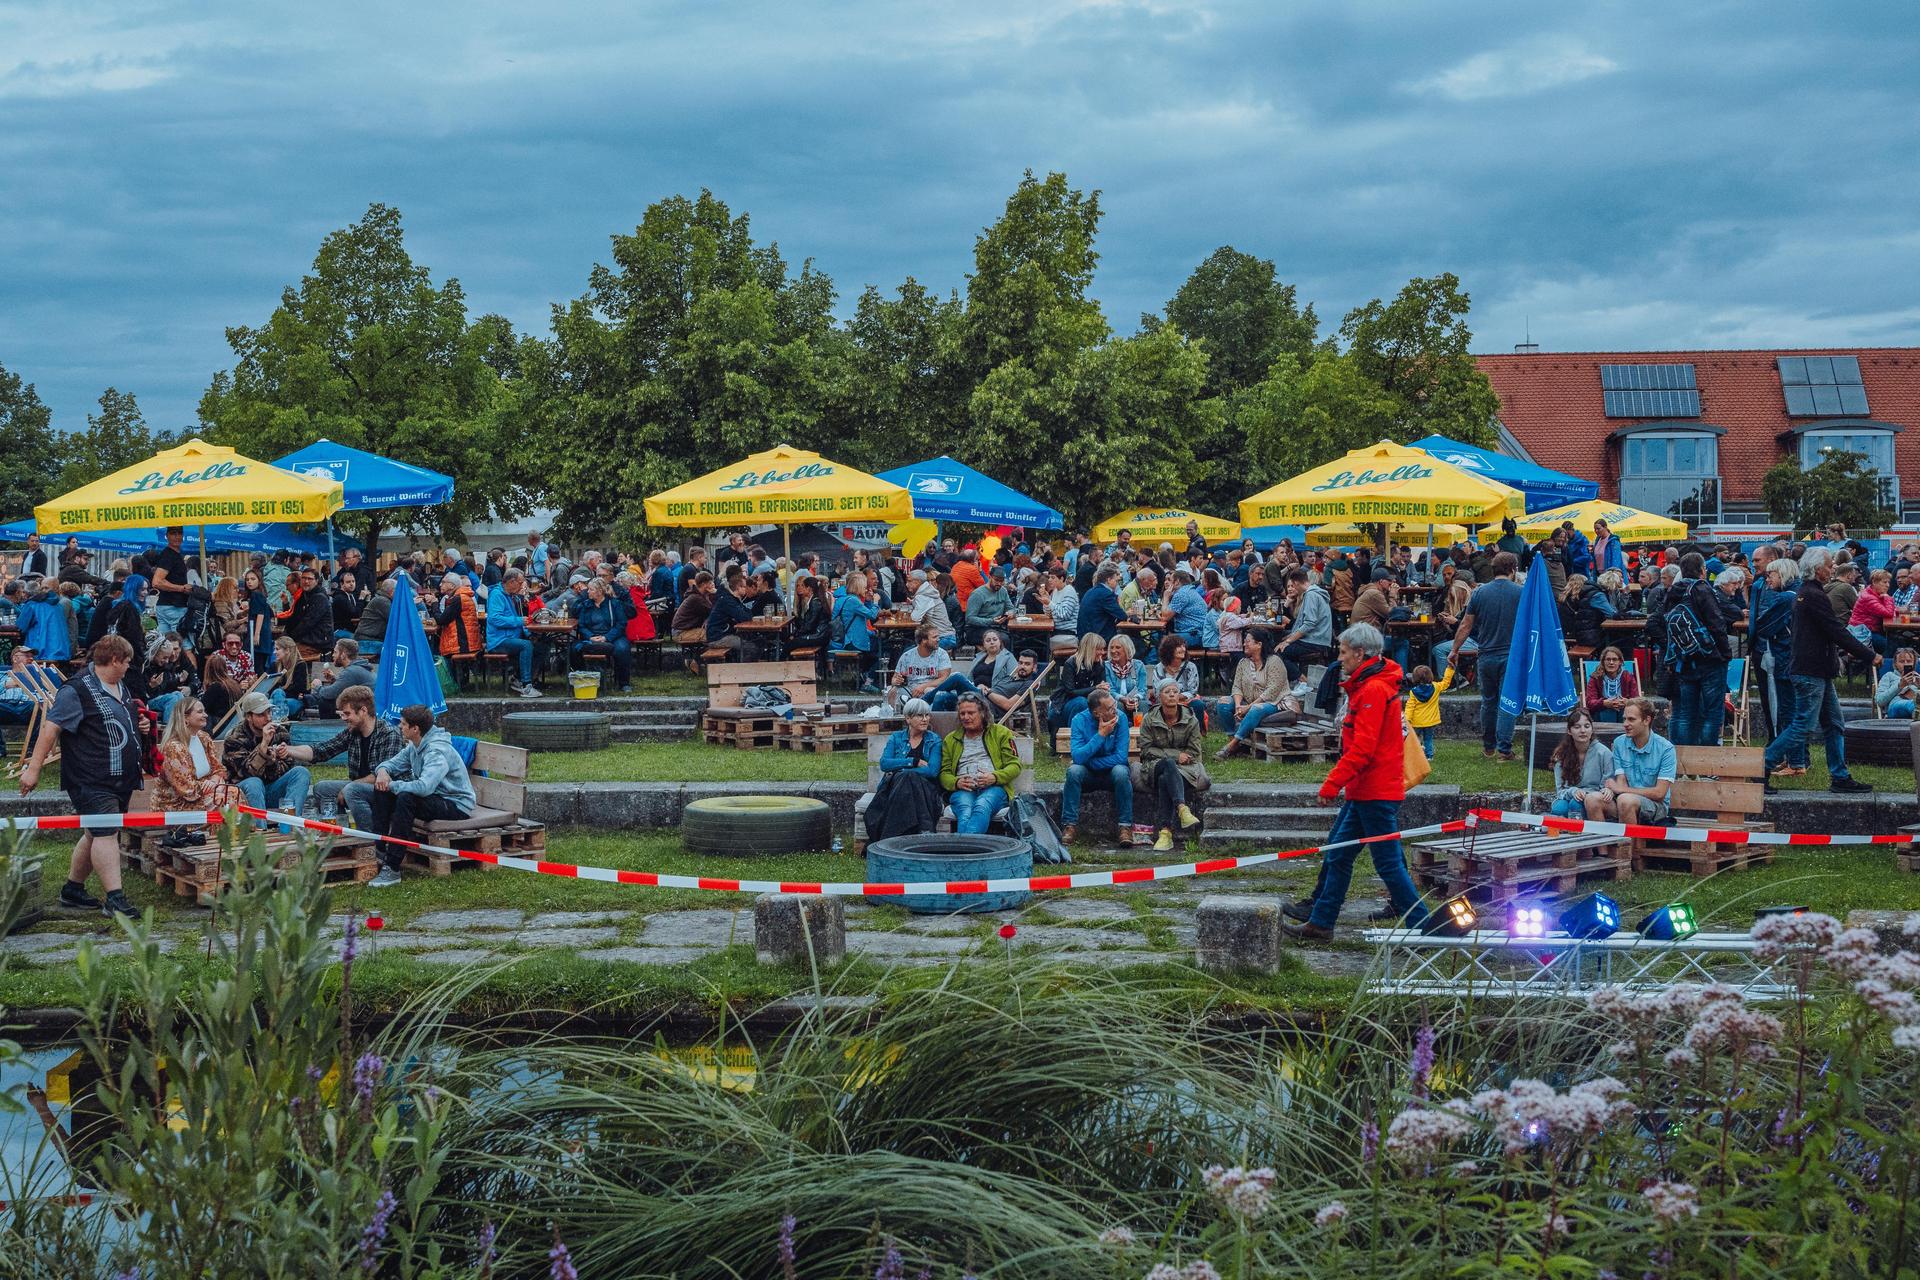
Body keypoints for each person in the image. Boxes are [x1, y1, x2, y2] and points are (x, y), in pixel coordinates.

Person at [1282, 624, 1427, 940]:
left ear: (1360, 654)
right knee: (1338, 854)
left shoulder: (1373, 691)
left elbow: (1363, 748)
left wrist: (1331, 784)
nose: (1340, 657)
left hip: (1374, 793)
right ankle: (1321, 922)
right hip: (1364, 792)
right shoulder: (1369, 686)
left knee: (1388, 865)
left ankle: (1426, 925)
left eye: (1344, 652)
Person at [17, 635, 142, 916]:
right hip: (91, 776)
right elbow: (51, 728)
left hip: (120, 777)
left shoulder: (119, 685)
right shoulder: (75, 690)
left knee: (95, 832)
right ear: (113, 660)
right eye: (126, 662)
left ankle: (72, 890)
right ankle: (115, 899)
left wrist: (140, 724)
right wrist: (33, 769)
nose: (128, 667)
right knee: (106, 833)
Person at [1764, 547, 1875, 792]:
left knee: (1834, 723)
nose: (1833, 568)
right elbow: (1835, 630)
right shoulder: (1813, 595)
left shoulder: (1807, 593)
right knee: (1803, 724)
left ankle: (1839, 776)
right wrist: (1869, 655)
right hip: (1811, 671)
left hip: (1816, 671)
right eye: (1829, 565)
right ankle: (1762, 767)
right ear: (1816, 569)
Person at [364, 703, 476, 886]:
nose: (399, 727)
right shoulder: (414, 745)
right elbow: (391, 764)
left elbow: (424, 787)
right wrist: (383, 772)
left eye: (403, 724)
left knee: (406, 798)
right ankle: (380, 850)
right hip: (435, 797)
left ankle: (392, 868)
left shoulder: (436, 751)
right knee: (382, 790)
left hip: (455, 803)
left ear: (415, 729)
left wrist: (393, 784)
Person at [278, 684, 404, 835]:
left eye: (347, 713)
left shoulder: (389, 733)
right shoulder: (353, 732)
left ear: (363, 711)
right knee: (322, 789)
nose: (343, 718)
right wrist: (288, 750)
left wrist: (347, 788)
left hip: (387, 793)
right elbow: (321, 751)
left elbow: (381, 777)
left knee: (352, 789)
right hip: (358, 788)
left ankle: (371, 837)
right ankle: (341, 832)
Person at [1446, 551, 1522, 761]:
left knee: (1488, 701)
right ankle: (1504, 750)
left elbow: (1466, 624)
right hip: (1510, 655)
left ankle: (1488, 747)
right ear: (1512, 569)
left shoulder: (1479, 593)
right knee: (1507, 702)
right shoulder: (1520, 592)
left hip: (1485, 654)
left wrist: (1454, 650)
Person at [1651, 552, 1731, 747]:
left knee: (1686, 712)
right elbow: (1716, 623)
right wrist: (1725, 654)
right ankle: (1707, 762)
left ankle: (1684, 761)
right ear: (1703, 570)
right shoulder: (1701, 588)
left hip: (1684, 659)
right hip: (1709, 658)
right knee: (1713, 713)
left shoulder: (1673, 590)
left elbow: (1663, 621)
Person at [223, 691, 312, 827]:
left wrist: (272, 761)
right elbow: (245, 773)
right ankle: (261, 833)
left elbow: (285, 769)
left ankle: (290, 825)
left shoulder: (280, 732)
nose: (268, 718)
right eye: (261, 714)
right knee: (254, 782)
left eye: (269, 712)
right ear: (248, 717)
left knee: (301, 772)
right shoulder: (235, 738)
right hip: (244, 794)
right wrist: (263, 746)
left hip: (271, 790)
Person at [1137, 678, 1206, 851]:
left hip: (1186, 769)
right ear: (1159, 696)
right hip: (1154, 765)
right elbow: (1145, 750)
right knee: (1167, 764)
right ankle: (1182, 808)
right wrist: (1176, 755)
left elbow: (1194, 752)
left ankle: (1165, 833)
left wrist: (1181, 759)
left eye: (1175, 691)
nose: (1172, 695)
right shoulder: (1149, 719)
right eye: (1167, 692)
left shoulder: (1191, 719)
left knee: (1164, 780)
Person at [865, 698, 946, 841]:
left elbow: (932, 771)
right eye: (920, 715)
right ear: (908, 718)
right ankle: (924, 829)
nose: (925, 719)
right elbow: (885, 763)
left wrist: (903, 770)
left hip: (925, 790)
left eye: (927, 715)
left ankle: (888, 839)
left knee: (908, 778)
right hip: (894, 788)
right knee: (906, 779)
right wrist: (912, 761)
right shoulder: (896, 738)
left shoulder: (934, 740)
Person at [940, 691, 1020, 835]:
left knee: (982, 806)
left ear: (982, 713)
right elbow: (944, 773)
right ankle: (970, 853)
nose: (966, 717)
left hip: (994, 788)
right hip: (963, 790)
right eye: (962, 713)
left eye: (971, 713)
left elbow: (1015, 766)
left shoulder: (1001, 733)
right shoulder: (951, 739)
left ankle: (963, 852)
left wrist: (995, 777)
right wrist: (956, 782)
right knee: (965, 811)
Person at [1586, 697, 1676, 823]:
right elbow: (1621, 781)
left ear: (1646, 720)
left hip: (1655, 806)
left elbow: (1659, 793)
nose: (1625, 724)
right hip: (1624, 800)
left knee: (1625, 800)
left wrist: (1621, 790)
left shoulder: (1666, 748)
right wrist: (1619, 790)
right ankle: (1602, 843)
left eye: (1631, 719)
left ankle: (1629, 843)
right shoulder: (1619, 743)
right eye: (1624, 719)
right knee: (1592, 799)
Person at [1211, 629, 1297, 759]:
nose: (1244, 644)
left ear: (1259, 644)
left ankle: (1231, 745)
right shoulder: (1243, 663)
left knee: (1256, 709)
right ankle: (1232, 741)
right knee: (1223, 703)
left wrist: (1249, 707)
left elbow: (1272, 691)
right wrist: (1238, 706)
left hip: (1275, 703)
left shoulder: (1274, 661)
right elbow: (1237, 687)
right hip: (1248, 701)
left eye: (1247, 642)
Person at [1061, 687, 1132, 844]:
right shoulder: (1079, 720)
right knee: (1073, 771)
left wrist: (1091, 762)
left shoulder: (1121, 718)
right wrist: (1101, 735)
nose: (1115, 710)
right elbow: (1077, 756)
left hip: (1112, 772)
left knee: (1121, 772)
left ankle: (1125, 827)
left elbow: (1121, 757)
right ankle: (1069, 825)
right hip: (1088, 773)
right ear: (1096, 713)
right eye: (1110, 708)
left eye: (1114, 705)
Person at [154, 696, 242, 818]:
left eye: (204, 711)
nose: (206, 715)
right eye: (200, 712)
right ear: (185, 717)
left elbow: (219, 769)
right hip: (177, 804)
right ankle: (222, 836)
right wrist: (214, 787)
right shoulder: (174, 748)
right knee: (223, 800)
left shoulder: (204, 738)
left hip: (206, 793)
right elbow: (187, 789)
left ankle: (238, 834)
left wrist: (214, 781)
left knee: (235, 792)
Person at [487, 569, 543, 696]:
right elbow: (494, 619)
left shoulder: (512, 596)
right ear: (512, 582)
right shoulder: (497, 595)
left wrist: (528, 633)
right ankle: (526, 686)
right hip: (498, 640)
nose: (522, 585)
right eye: (521, 582)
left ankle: (517, 678)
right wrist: (518, 621)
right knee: (526, 645)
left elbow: (519, 618)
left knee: (541, 644)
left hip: (510, 636)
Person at [571, 578, 633, 690]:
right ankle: (581, 679)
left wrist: (607, 637)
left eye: (591, 589)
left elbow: (621, 624)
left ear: (599, 591)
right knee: (573, 649)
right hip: (591, 637)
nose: (587, 592)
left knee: (622, 649)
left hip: (612, 636)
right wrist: (590, 636)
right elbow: (582, 625)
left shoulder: (614, 604)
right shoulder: (586, 605)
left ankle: (624, 683)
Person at [1274, 566, 1335, 681]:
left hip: (1314, 641)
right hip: (1319, 639)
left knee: (1277, 653)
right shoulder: (1315, 593)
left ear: (1296, 583)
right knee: (1281, 643)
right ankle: (1296, 679)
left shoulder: (1311, 595)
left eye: (1293, 585)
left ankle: (1303, 681)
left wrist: (1288, 641)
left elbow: (1309, 623)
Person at [889, 623, 964, 711]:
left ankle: (915, 708)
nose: (938, 639)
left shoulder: (942, 654)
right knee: (892, 691)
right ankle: (896, 719)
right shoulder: (907, 656)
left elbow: (944, 679)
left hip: (932, 689)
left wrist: (923, 686)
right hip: (911, 690)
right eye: (934, 637)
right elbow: (895, 678)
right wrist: (896, 681)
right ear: (924, 640)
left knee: (929, 691)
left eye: (938, 636)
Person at [832, 570, 883, 692]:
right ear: (859, 586)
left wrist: (869, 601)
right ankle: (868, 681)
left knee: (880, 644)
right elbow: (872, 615)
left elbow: (859, 623)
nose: (866, 589)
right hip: (854, 642)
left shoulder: (849, 599)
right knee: (883, 653)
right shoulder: (853, 601)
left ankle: (866, 676)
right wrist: (875, 601)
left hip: (851, 639)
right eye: (864, 587)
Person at [1048, 633, 1108, 733]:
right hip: (1064, 704)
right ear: (1090, 649)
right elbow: (1070, 692)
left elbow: (1100, 690)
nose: (1102, 652)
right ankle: (1075, 738)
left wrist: (1103, 689)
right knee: (1081, 702)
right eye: (1099, 649)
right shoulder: (1071, 663)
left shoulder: (1100, 665)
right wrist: (1096, 688)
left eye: (1103, 649)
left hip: (1088, 702)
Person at [306, 638, 374, 718]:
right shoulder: (357, 668)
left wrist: (317, 687)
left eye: (335, 652)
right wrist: (333, 679)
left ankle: (327, 728)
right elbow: (345, 688)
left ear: (343, 655)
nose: (332, 655)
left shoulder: (351, 671)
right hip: (365, 706)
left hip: (366, 711)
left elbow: (329, 694)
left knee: (325, 700)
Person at [1403, 661, 1454, 759]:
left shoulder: (1413, 692)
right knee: (1428, 739)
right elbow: (1446, 682)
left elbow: (1410, 707)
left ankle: (1416, 754)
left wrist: (1407, 720)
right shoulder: (1436, 687)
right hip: (1430, 721)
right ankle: (1429, 756)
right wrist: (1450, 669)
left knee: (1415, 738)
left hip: (1416, 721)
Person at [1849, 568, 1897, 661]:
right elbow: (1889, 613)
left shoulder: (1873, 594)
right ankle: (1883, 669)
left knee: (1894, 639)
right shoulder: (1869, 598)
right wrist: (1888, 598)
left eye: (1888, 582)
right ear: (1874, 582)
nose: (1888, 585)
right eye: (1884, 582)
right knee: (1888, 644)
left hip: (1867, 630)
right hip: (1862, 634)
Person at [1583, 645, 1640, 723]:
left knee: (1625, 711)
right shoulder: (1595, 678)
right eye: (1608, 659)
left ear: (1620, 662)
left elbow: (1637, 700)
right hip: (1602, 713)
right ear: (1603, 662)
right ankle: (1609, 734)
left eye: (1614, 659)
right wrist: (1604, 703)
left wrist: (1627, 702)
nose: (1611, 662)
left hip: (1623, 711)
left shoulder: (1628, 677)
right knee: (1607, 711)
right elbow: (1590, 703)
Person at [984, 647, 1043, 718]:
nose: (1022, 666)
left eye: (1027, 664)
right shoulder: (1007, 678)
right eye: (1020, 663)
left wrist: (987, 692)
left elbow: (1008, 705)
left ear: (1034, 667)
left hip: (988, 708)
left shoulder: (1029, 684)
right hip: (980, 699)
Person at [287, 565, 334, 654]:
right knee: (280, 648)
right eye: (303, 578)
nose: (306, 581)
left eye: (310, 579)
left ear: (316, 581)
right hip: (307, 640)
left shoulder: (320, 598)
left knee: (285, 653)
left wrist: (291, 637)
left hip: (319, 643)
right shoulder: (303, 596)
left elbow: (308, 623)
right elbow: (294, 617)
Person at [1104, 633, 1150, 723]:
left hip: (1134, 701)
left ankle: (1142, 733)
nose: (1113, 651)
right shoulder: (1106, 666)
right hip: (1116, 701)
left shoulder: (1138, 665)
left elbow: (1142, 689)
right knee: (1117, 705)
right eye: (1111, 647)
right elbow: (1110, 690)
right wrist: (1123, 699)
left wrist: (1135, 699)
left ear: (1127, 649)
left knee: (1142, 704)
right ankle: (1120, 732)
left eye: (1118, 647)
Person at [962, 565, 1013, 646]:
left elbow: (1011, 608)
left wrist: (1010, 613)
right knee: (1003, 639)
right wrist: (991, 621)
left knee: (1014, 636)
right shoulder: (978, 594)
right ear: (989, 577)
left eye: (1002, 581)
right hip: (977, 629)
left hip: (996, 627)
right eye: (996, 580)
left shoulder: (1003, 591)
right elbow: (969, 619)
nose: (999, 583)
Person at [906, 570, 957, 648]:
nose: (906, 584)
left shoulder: (923, 596)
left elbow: (915, 618)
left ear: (917, 582)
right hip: (947, 635)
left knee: (907, 651)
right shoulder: (927, 592)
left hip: (941, 637)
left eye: (909, 581)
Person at [1076, 566, 1126, 641]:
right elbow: (1122, 616)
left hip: (1085, 636)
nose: (1117, 584)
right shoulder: (1106, 594)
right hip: (1098, 638)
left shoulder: (1091, 591)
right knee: (1129, 638)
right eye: (1116, 581)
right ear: (1109, 580)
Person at [1876, 647, 1920, 720]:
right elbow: (1880, 700)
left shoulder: (1918, 678)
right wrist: (1899, 686)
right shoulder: (1889, 676)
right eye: (1902, 661)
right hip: (1896, 704)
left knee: (1915, 702)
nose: (1905, 664)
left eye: (1909, 661)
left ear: (1914, 663)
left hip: (1914, 700)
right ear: (1895, 664)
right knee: (1909, 705)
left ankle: (1917, 711)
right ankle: (1917, 710)